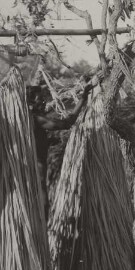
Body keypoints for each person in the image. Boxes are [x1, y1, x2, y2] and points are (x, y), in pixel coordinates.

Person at [27, 78, 95, 220]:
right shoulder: (37, 119)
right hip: (37, 174)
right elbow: (66, 123)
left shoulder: (24, 120)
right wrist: (83, 99)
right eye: (41, 99)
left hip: (27, 174)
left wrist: (50, 141)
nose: (44, 102)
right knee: (42, 204)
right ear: (32, 101)